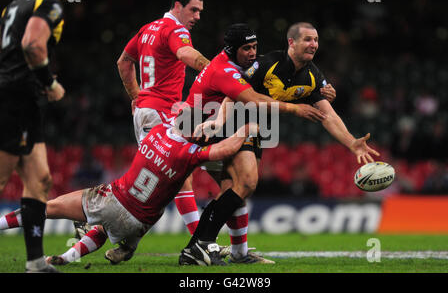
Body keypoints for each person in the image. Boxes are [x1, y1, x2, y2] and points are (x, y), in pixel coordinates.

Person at [179, 22, 379, 266]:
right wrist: (220, 121)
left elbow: (328, 115)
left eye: (316, 40)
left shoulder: (313, 76)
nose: (313, 44)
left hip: (255, 126)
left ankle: (204, 248)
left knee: (234, 190)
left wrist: (352, 143)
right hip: (236, 122)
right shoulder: (267, 63)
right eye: (307, 39)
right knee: (247, 182)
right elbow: (233, 92)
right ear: (291, 43)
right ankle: (204, 245)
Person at [0, 108, 259, 267]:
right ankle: (97, 253)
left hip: (115, 199)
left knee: (49, 207)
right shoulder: (191, 153)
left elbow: (152, 114)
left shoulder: (156, 131)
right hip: (141, 224)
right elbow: (224, 149)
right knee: (105, 229)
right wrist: (246, 129)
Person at [114, 0, 209, 238]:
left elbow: (123, 62)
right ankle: (199, 241)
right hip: (160, 114)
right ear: (177, 6)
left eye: (200, 11)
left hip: (148, 112)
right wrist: (214, 71)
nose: (197, 16)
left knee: (158, 181)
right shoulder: (176, 29)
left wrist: (137, 96)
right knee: (171, 177)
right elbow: (186, 53)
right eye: (193, 10)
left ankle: (108, 232)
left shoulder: (147, 29)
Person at [0, 0, 71, 273]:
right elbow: (32, 44)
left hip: (22, 99)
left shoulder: (19, 0)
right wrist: (49, 82)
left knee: (40, 180)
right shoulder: (50, 3)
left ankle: (35, 264)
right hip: (13, 98)